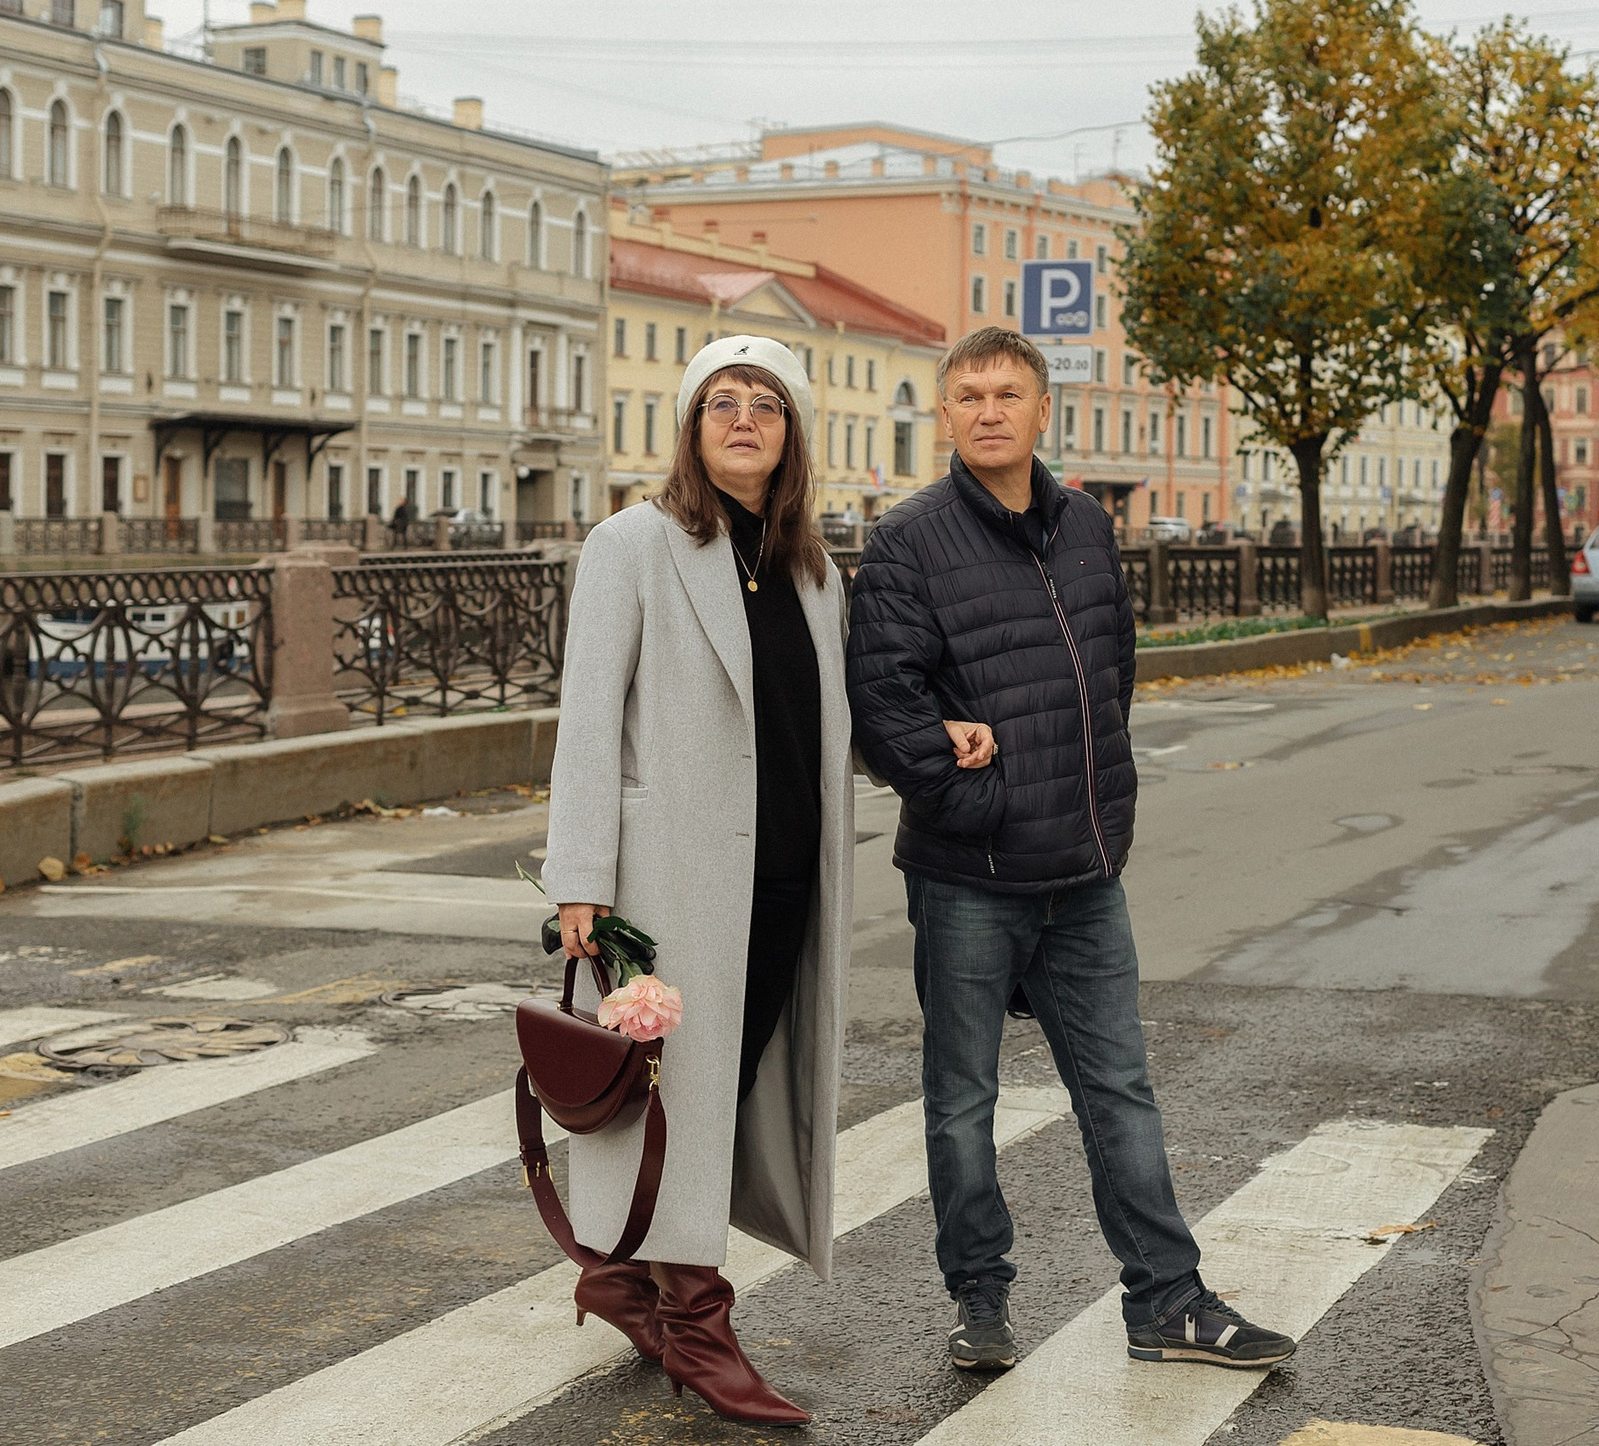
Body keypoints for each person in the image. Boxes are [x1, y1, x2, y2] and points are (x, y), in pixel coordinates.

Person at [846, 326, 1298, 1374]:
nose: (988, 410)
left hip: (1085, 874)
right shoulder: (908, 540)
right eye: (967, 396)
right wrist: (985, 803)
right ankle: (980, 1299)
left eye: (1007, 391)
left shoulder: (1088, 526)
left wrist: (1102, 811)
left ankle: (1167, 1299)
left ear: (1045, 409)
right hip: (969, 876)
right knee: (963, 1099)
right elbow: (883, 707)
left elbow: (1113, 677)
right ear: (946, 417)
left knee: (1121, 1089)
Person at [541, 334, 853, 1427]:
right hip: (669, 872)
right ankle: (697, 1316)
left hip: (784, 873)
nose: (743, 417)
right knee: (677, 1089)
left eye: (766, 403)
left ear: (791, 431)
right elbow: (587, 719)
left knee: (731, 1077)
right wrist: (579, 879)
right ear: (691, 425)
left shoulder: (811, 567)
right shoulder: (633, 543)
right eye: (721, 401)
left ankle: (622, 1276)